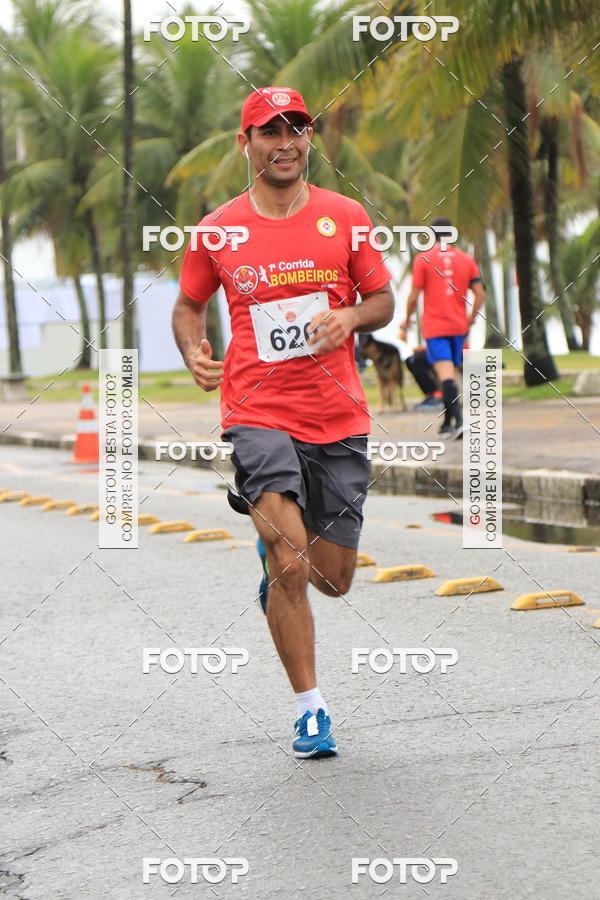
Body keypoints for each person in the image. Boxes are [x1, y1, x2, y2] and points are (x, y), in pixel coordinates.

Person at [172, 87, 394, 759]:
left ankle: (281, 568)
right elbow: (188, 305)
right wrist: (193, 349)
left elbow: (382, 299)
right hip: (256, 413)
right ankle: (310, 710)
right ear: (247, 144)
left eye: (296, 128)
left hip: (336, 415)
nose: (286, 141)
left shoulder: (346, 216)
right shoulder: (218, 229)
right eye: (270, 131)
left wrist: (351, 317)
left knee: (331, 577)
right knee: (292, 564)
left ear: (308, 138)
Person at [399, 218, 485, 438]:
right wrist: (471, 319)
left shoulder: (423, 259)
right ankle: (448, 423)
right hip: (459, 327)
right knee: (452, 375)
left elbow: (413, 296)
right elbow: (480, 293)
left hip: (436, 327)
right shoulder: (466, 259)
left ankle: (460, 422)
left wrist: (407, 320)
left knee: (446, 376)